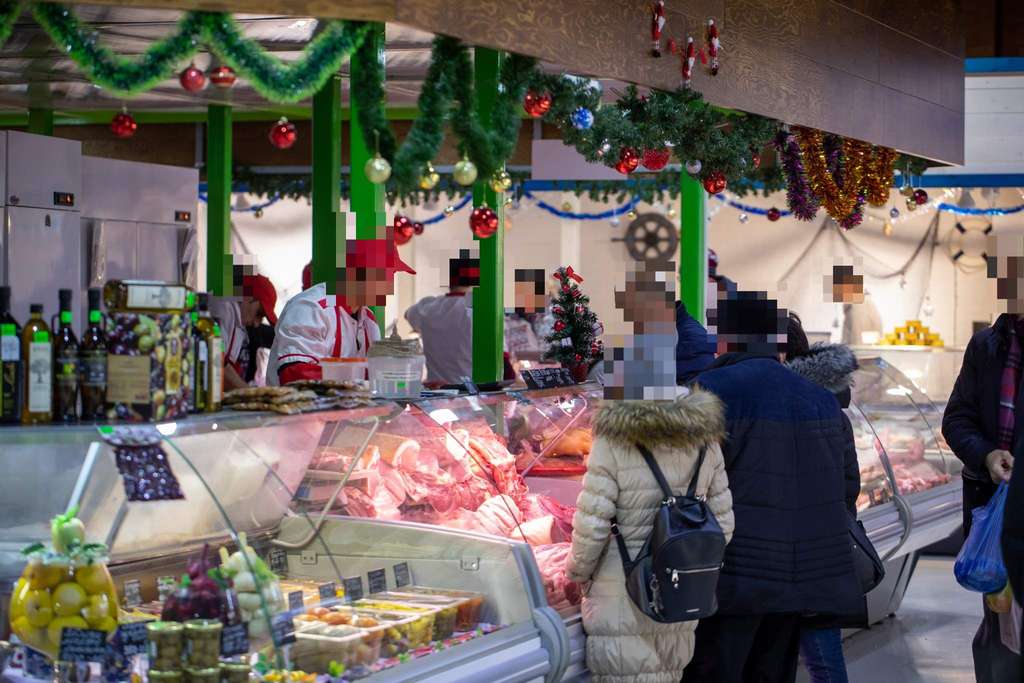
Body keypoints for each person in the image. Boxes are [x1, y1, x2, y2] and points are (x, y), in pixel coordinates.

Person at [567, 260, 734, 682]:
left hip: (619, 589)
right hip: (679, 589)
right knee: (668, 670)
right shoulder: (706, 434)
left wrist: (576, 575)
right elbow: (724, 521)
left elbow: (592, 524)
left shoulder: (612, 438)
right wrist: (689, 557)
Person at [683, 291, 862, 683]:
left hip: (732, 578)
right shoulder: (822, 399)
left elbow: (687, 483)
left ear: (726, 339)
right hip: (800, 582)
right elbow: (845, 486)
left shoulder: (708, 391)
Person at [943, 233, 1024, 681]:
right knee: (998, 624)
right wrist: (988, 454)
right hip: (995, 513)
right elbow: (957, 418)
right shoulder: (986, 346)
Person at [783, 314, 860, 683]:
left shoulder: (783, 408)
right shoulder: (832, 407)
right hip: (825, 551)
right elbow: (849, 484)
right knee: (824, 661)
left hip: (788, 557)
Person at [267, 233, 415, 385]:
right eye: (386, 275)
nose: (390, 285)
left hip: (343, 401)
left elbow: (376, 377)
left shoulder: (369, 321)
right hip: (293, 400)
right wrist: (366, 374)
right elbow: (295, 374)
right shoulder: (311, 308)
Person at [404, 250, 479, 385]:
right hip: (471, 390)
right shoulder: (478, 311)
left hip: (437, 390)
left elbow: (407, 314)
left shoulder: (427, 308)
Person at [211, 273, 278, 390]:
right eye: (259, 314)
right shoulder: (224, 307)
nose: (257, 324)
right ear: (248, 297)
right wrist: (250, 394)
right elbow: (216, 363)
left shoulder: (238, 318)